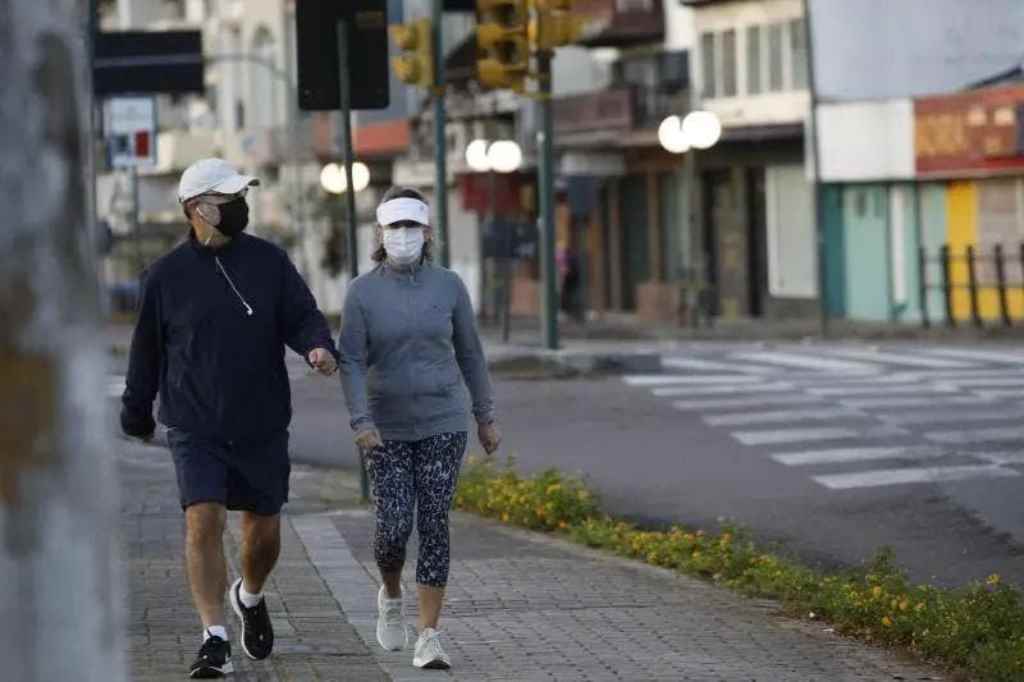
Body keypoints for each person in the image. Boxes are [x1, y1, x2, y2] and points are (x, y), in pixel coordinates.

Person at [120, 158, 339, 679]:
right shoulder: (164, 277)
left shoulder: (270, 261)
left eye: (242, 197)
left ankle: (250, 595)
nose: (240, 206)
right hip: (195, 424)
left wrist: (317, 347)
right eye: (229, 199)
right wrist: (136, 414)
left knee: (263, 535)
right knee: (203, 519)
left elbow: (303, 316)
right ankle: (214, 637)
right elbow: (145, 353)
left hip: (261, 422)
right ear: (197, 209)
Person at [338, 186, 502, 671]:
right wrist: (361, 420)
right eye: (395, 227)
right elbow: (350, 360)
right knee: (393, 526)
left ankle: (429, 635)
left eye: (412, 226)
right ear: (380, 233)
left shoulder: (449, 286)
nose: (404, 235)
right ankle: (390, 594)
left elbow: (470, 352)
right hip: (384, 427)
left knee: (433, 521)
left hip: (443, 421)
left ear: (428, 232)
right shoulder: (361, 292)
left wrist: (485, 416)